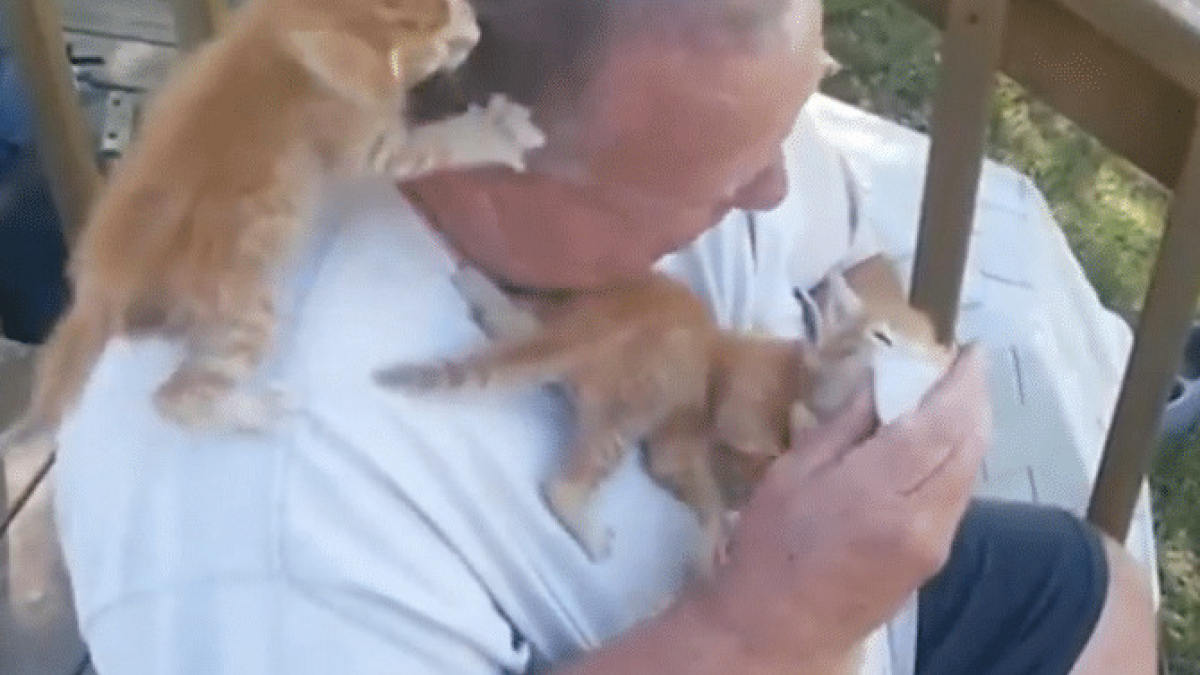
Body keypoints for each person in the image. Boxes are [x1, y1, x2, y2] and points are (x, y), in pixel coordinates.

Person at [52, 0, 1157, 673]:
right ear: (492, 153)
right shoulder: (265, 512)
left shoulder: (657, 91)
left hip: (802, 607)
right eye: (724, 180)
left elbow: (841, 253)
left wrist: (880, 361)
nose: (774, 191)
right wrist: (763, 631)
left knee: (1091, 592)